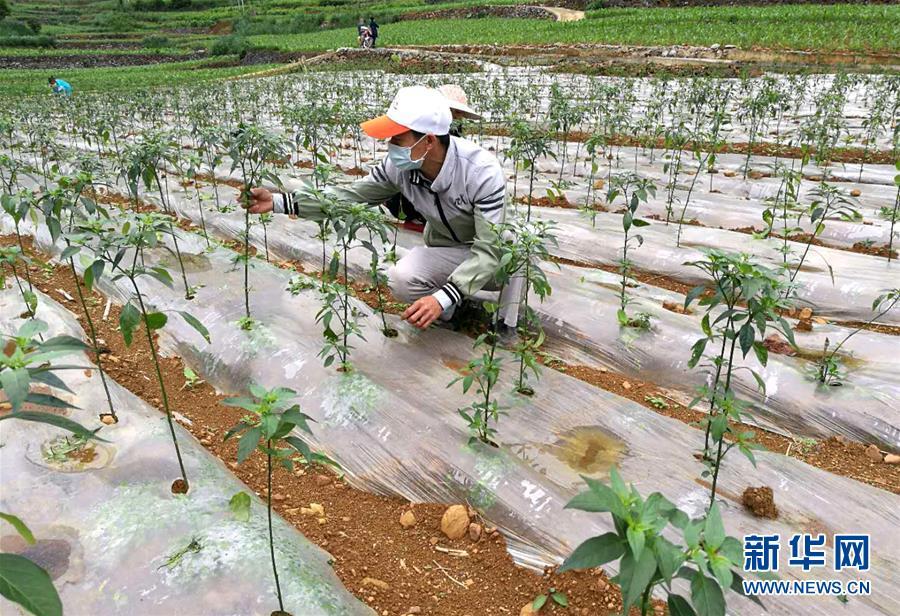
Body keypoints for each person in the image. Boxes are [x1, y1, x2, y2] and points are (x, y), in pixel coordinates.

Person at [247, 85, 519, 331]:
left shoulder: (481, 172)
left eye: (397, 140)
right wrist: (280, 202)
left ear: (428, 140)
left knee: (520, 256)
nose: (390, 147)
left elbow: (488, 250)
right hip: (449, 248)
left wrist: (443, 295)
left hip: (496, 256)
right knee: (402, 278)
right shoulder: (399, 168)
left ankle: (506, 325)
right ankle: (452, 310)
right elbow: (350, 196)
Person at [383, 84, 483, 232]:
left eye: (458, 113)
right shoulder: (424, 132)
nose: (456, 116)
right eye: (454, 111)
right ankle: (417, 216)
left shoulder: (456, 143)